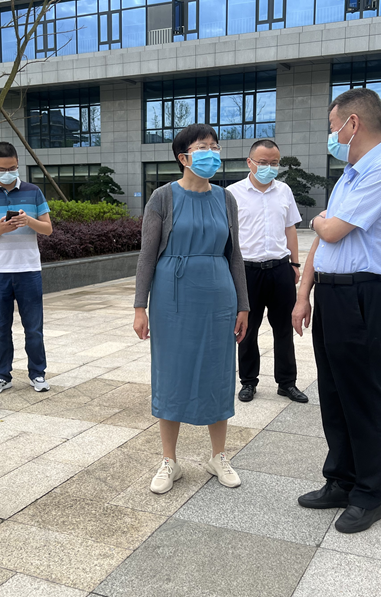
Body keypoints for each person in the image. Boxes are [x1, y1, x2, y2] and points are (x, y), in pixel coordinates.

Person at [292, 88, 381, 534]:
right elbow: (322, 241)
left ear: (353, 124)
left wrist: (318, 220)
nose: (333, 136)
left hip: (367, 295)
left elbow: (332, 230)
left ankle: (369, 495)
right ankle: (341, 480)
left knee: (365, 397)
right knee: (335, 394)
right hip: (334, 295)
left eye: (333, 127)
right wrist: (304, 293)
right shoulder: (350, 175)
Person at [133, 123, 250, 494]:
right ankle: (170, 460)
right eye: (203, 147)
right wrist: (139, 306)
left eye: (215, 146)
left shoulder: (226, 199)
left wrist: (243, 304)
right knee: (171, 372)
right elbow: (147, 255)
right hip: (172, 296)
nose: (211, 153)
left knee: (218, 370)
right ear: (183, 157)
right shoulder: (162, 197)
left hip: (218, 295)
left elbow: (235, 255)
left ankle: (219, 456)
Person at [0, 141, 53, 396]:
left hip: (29, 270)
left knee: (34, 328)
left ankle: (37, 373)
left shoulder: (33, 192)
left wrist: (29, 221)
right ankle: (1, 376)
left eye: (13, 168)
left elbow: (48, 229)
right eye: (3, 169)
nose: (9, 173)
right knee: (0, 330)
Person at [228, 139, 309, 405]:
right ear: (249, 162)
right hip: (247, 272)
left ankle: (287, 383)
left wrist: (295, 264)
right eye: (263, 162)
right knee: (247, 329)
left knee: (284, 328)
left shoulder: (284, 191)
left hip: (279, 269)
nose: (269, 167)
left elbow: (290, 228)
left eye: (274, 163)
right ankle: (248, 382)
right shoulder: (232, 194)